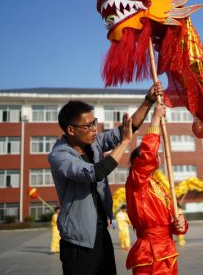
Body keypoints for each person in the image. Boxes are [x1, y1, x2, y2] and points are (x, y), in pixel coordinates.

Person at [48, 82, 162, 275]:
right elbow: (95, 173)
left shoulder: (94, 143)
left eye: (95, 122)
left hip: (100, 230)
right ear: (71, 130)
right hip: (78, 239)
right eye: (88, 125)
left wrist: (148, 101)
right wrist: (126, 142)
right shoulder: (60, 156)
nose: (94, 129)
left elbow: (127, 128)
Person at [125, 103, 188, 275]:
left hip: (167, 251)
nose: (156, 157)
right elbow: (147, 156)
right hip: (150, 253)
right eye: (152, 155)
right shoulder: (137, 181)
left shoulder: (157, 185)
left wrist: (180, 223)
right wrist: (155, 118)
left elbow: (173, 222)